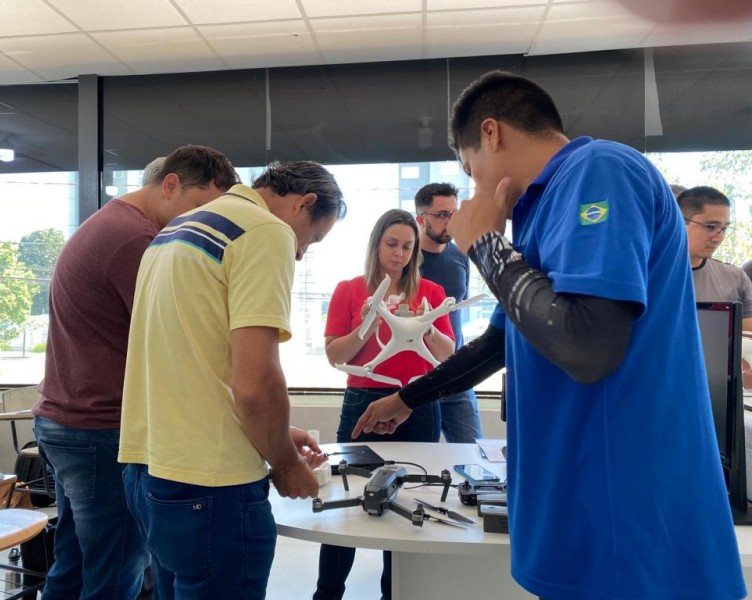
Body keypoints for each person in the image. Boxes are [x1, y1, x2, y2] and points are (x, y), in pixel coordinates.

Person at [353, 70, 746, 600]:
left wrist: (486, 245)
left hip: (624, 509)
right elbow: (500, 342)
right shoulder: (541, 213)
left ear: (490, 133)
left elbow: (587, 345)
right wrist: (407, 398)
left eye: (470, 168)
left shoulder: (599, 169)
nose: (474, 189)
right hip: (575, 503)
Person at [118, 161, 345, 600]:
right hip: (211, 487)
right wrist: (285, 464)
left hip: (149, 471)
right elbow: (255, 382)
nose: (300, 253)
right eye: (312, 238)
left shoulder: (173, 232)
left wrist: (275, 433)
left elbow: (194, 366)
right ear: (305, 203)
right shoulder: (265, 231)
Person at [32, 146, 239, 600]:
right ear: (170, 185)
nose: (202, 223)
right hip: (100, 426)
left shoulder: (112, 223)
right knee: (117, 571)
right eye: (200, 207)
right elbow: (177, 339)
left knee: (75, 566)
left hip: (70, 420)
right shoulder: (138, 240)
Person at [313, 208, 455, 600]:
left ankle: (396, 593)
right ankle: (327, 594)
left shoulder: (431, 293)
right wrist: (368, 325)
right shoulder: (349, 290)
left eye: (407, 247)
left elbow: (448, 355)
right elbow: (335, 356)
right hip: (363, 399)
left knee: (413, 499)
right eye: (392, 244)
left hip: (417, 403)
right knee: (346, 500)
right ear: (376, 244)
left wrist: (426, 326)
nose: (399, 254)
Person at [414, 182, 483, 443]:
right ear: (421, 219)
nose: (450, 222)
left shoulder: (461, 256)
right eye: (442, 215)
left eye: (453, 214)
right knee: (416, 456)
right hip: (416, 375)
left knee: (472, 450)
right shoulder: (405, 260)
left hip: (456, 371)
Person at [677, 185, 752, 329]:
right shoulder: (649, 275)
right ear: (679, 221)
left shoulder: (736, 278)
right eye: (711, 227)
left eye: (724, 228)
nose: (719, 238)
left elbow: (747, 334)